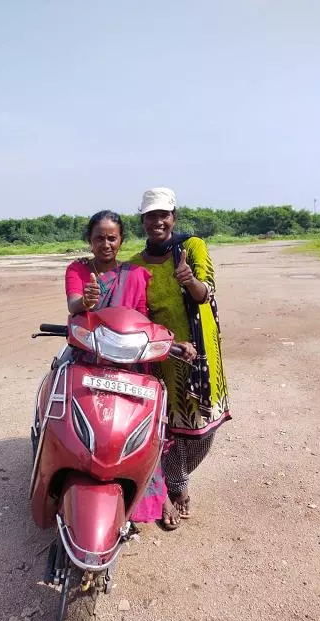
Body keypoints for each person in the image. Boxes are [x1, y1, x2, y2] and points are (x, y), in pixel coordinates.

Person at [65, 209, 195, 530]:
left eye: (112, 238)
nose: (106, 244)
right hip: (89, 357)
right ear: (89, 240)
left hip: (130, 362)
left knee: (145, 427)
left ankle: (158, 492)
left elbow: (142, 320)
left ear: (121, 240)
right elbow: (73, 304)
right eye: (99, 238)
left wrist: (173, 342)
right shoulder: (78, 270)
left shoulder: (135, 274)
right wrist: (86, 302)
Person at [130, 188, 231, 519]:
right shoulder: (135, 265)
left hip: (200, 355)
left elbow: (205, 294)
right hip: (162, 358)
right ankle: (175, 486)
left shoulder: (192, 247)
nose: (157, 221)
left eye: (163, 214)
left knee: (204, 427)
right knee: (168, 429)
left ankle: (174, 481)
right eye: (150, 216)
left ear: (173, 216)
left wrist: (188, 280)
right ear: (142, 221)